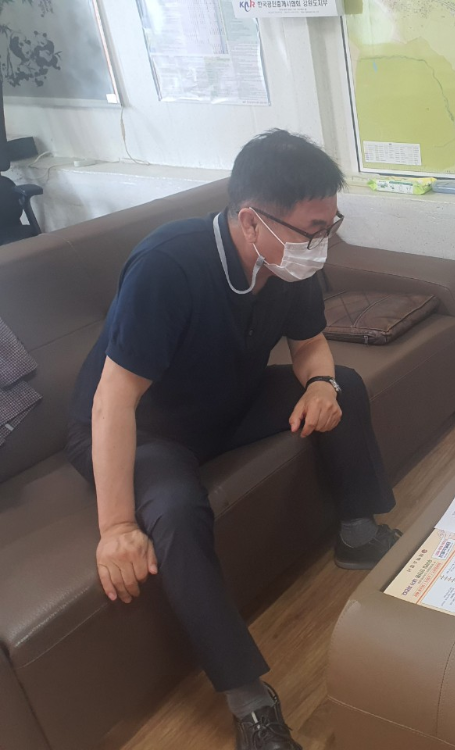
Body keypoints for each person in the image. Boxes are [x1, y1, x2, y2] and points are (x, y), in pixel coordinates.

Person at [66, 130, 400, 750]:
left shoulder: (288, 259)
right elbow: (113, 401)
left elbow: (309, 346)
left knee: (346, 386)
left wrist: (320, 384)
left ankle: (359, 534)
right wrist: (116, 527)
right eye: (314, 228)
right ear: (251, 220)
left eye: (330, 225)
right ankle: (250, 703)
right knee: (174, 508)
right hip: (145, 430)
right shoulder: (167, 265)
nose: (322, 242)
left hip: (224, 402)